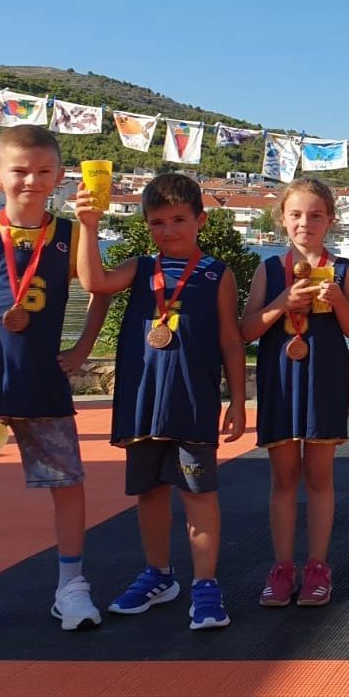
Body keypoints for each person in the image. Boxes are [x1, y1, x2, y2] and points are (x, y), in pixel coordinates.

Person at [0, 125, 109, 644]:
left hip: (43, 385)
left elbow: (98, 288)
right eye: (20, 171)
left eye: (42, 171)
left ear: (59, 176)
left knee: (69, 485)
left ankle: (71, 585)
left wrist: (82, 348)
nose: (31, 180)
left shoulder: (69, 234)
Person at [77, 172, 248, 630]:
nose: (168, 230)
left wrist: (237, 400)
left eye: (178, 220)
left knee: (198, 493)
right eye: (157, 222)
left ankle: (206, 584)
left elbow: (231, 341)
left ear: (200, 221)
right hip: (141, 402)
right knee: (149, 493)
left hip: (192, 402)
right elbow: (94, 281)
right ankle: (158, 574)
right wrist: (89, 226)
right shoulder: (138, 267)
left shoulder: (216, 273)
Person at [240, 178, 349, 608]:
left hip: (323, 380)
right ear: (282, 219)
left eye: (315, 215)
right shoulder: (270, 269)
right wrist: (282, 303)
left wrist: (339, 300)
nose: (304, 223)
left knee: (319, 476)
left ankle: (317, 566)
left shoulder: (343, 269)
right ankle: (282, 567)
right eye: (295, 214)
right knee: (284, 477)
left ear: (330, 220)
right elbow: (247, 330)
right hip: (280, 380)